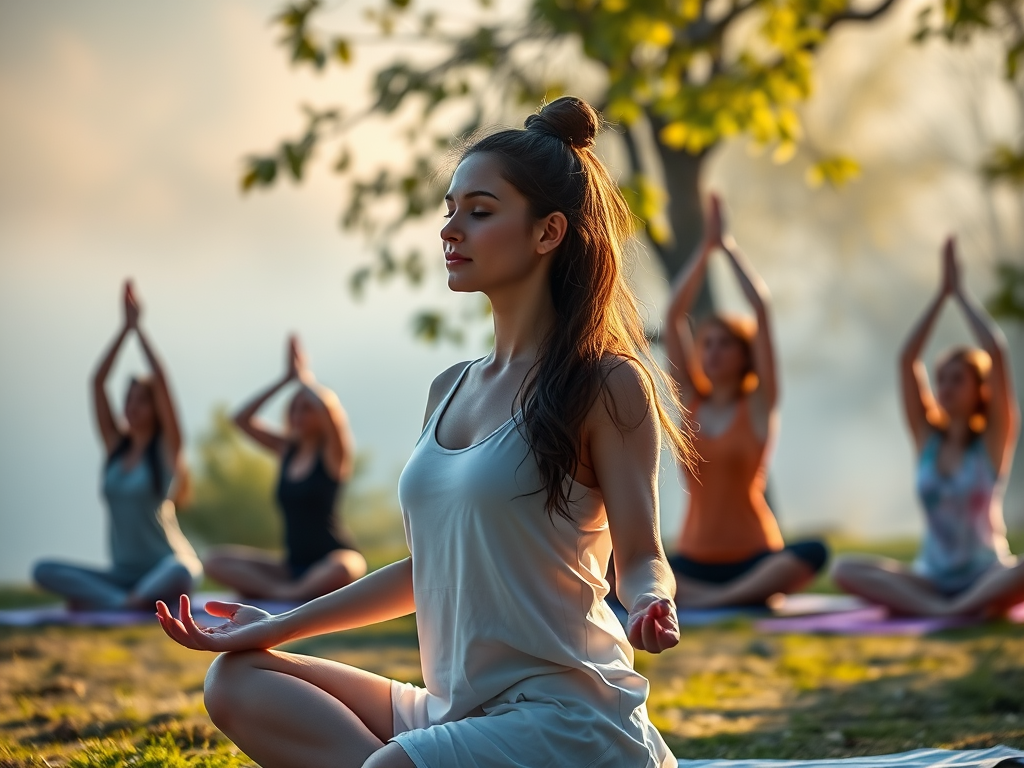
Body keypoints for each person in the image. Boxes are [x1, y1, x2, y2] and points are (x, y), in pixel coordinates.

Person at [154, 96, 687, 768]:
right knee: (236, 680)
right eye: (450, 209)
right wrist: (278, 626)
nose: (450, 230)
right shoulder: (450, 389)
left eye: (480, 211)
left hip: (568, 717)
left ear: (549, 232)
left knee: (391, 766)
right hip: (452, 707)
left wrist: (651, 601)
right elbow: (426, 567)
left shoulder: (605, 384)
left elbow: (641, 555)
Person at [832, 237, 1023, 617]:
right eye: (942, 379)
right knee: (843, 568)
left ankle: (949, 609)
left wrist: (962, 296)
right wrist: (940, 297)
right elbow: (907, 360)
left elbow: (997, 353)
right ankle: (949, 610)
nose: (946, 388)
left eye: (957, 380)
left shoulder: (991, 443)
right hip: (931, 576)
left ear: (979, 391)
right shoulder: (928, 440)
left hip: (985, 572)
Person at [662, 194, 828, 608]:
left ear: (744, 355)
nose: (713, 353)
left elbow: (761, 309)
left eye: (725, 346)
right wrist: (703, 252)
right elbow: (671, 316)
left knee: (813, 552)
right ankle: (730, 598)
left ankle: (711, 600)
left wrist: (728, 249)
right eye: (708, 345)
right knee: (614, 561)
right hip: (695, 557)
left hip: (756, 556)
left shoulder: (758, 404)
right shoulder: (689, 401)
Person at [33, 281, 201, 610]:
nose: (131, 408)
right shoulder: (115, 448)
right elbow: (97, 382)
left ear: (156, 409)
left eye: (141, 402)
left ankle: (115, 602)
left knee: (183, 569)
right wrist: (123, 330)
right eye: (128, 400)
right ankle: (125, 602)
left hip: (164, 569)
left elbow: (163, 381)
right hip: (121, 575)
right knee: (42, 570)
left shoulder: (167, 448)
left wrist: (140, 330)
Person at [202, 335, 366, 602]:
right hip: (291, 567)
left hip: (329, 561)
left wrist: (305, 379)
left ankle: (284, 595)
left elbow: (328, 409)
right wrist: (285, 379)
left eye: (306, 409)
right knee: (213, 560)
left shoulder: (335, 453)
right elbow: (241, 419)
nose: (298, 416)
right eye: (294, 409)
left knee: (347, 566)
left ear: (322, 416)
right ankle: (287, 594)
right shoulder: (286, 450)